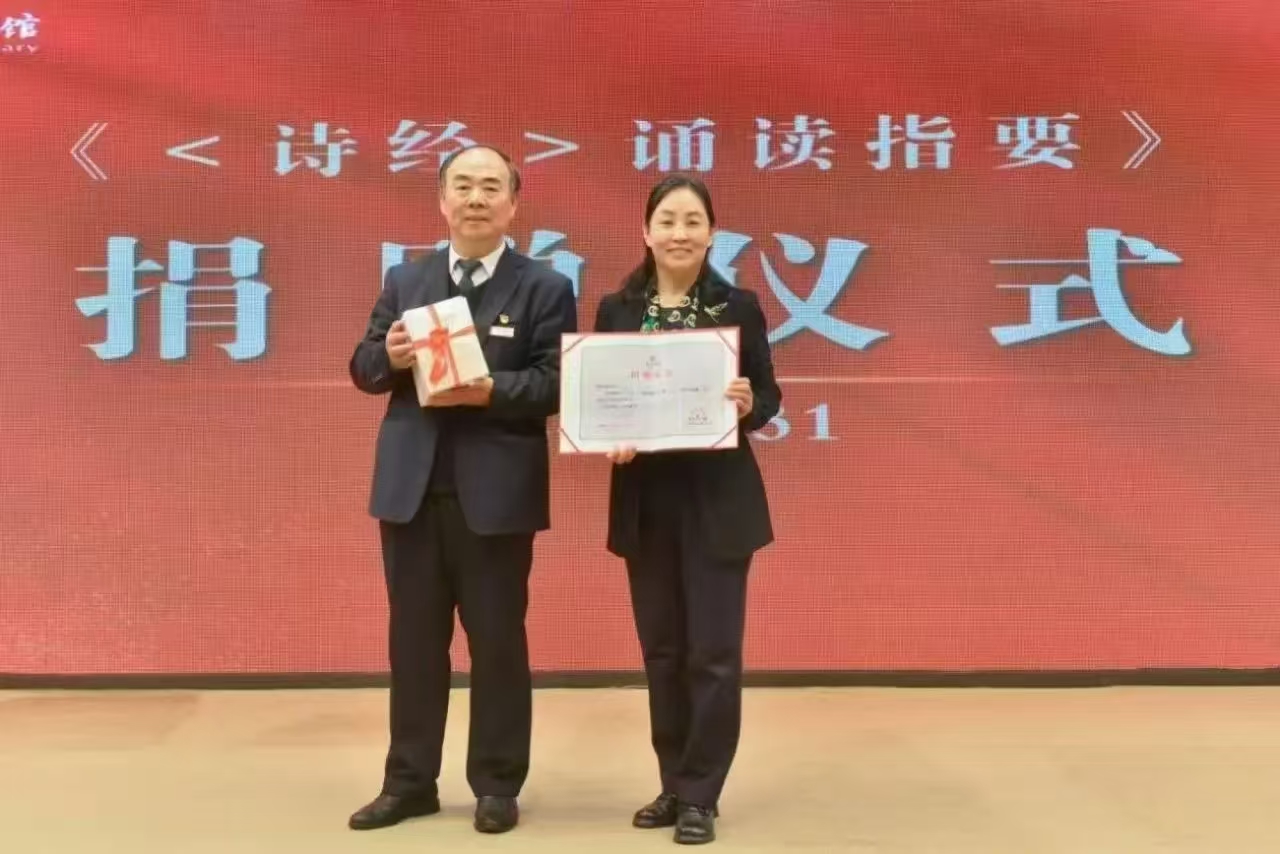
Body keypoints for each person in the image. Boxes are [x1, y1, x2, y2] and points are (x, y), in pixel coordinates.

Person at [347, 145, 577, 835]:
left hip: (496, 494)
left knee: (497, 643)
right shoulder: (406, 277)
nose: (476, 199)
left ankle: (497, 784)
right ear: (443, 200)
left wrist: (489, 390)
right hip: (411, 491)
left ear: (513, 203)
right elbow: (363, 367)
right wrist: (388, 357)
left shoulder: (545, 286)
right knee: (413, 644)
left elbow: (558, 383)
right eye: (463, 186)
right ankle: (408, 782)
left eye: (491, 187)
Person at [592, 175, 780, 845]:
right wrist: (607, 433)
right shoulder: (617, 309)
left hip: (717, 501)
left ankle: (702, 793)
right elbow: (603, 395)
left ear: (711, 233)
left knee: (714, 654)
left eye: (692, 221)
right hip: (646, 501)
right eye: (667, 220)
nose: (679, 233)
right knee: (663, 652)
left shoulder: (738, 306)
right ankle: (672, 782)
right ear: (646, 231)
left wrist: (747, 402)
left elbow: (769, 396)